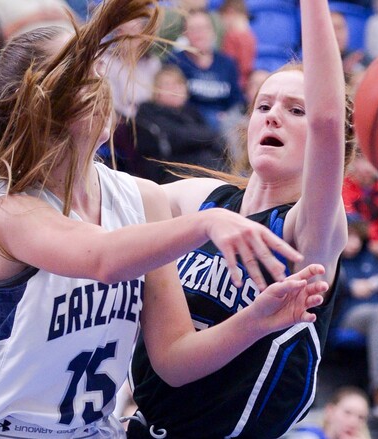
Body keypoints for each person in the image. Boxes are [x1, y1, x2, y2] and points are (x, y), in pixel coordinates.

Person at [0, 1, 330, 437]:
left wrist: (256, 321)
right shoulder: (10, 214)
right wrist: (207, 223)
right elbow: (103, 257)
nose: (102, 81)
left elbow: (175, 360)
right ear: (48, 106)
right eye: (83, 75)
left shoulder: (141, 199)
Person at [128, 0, 351, 435]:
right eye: (263, 106)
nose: (273, 116)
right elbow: (105, 196)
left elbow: (328, 119)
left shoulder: (309, 230)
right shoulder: (204, 202)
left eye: (295, 109)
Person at [333, 219, 378, 418]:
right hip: (349, 315)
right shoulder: (332, 259)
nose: (353, 242)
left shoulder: (372, 258)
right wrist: (348, 288)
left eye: (356, 237)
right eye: (349, 236)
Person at [134, 65, 225, 183]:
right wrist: (210, 137)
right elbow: (177, 137)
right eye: (168, 85)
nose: (175, 89)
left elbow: (212, 137)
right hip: (170, 172)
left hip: (204, 167)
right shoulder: (148, 112)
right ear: (156, 90)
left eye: (179, 84)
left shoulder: (191, 112)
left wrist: (210, 137)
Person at [166, 9, 244, 132]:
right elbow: (172, 100)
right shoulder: (175, 62)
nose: (199, 34)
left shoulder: (227, 63)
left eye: (203, 28)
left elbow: (236, 100)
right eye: (193, 29)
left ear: (213, 31)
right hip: (188, 124)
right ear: (184, 34)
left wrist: (227, 116)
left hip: (224, 126)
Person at [287, 387, 371, 439]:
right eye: (347, 413)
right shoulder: (307, 436)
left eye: (361, 417)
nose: (354, 422)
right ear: (330, 411)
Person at [217, 0, 256, 91]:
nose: (223, 24)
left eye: (223, 18)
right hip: (243, 83)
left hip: (233, 83)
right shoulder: (250, 36)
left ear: (230, 12)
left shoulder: (232, 36)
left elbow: (228, 65)